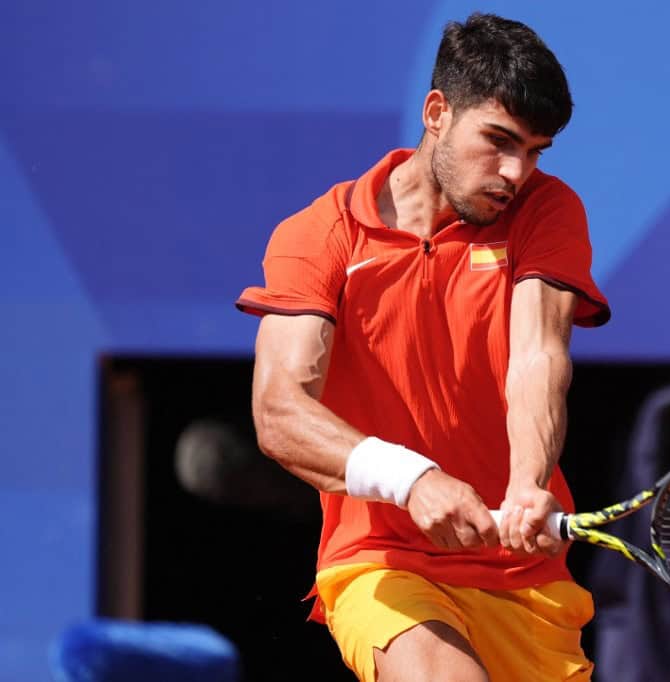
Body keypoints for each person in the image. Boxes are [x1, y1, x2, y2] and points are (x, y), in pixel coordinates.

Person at [235, 12, 610, 682]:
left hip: (524, 580)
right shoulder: (321, 234)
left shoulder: (547, 211)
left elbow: (537, 356)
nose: (515, 171)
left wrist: (528, 482)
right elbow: (279, 411)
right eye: (497, 141)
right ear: (437, 111)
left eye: (534, 151)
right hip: (383, 561)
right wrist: (411, 480)